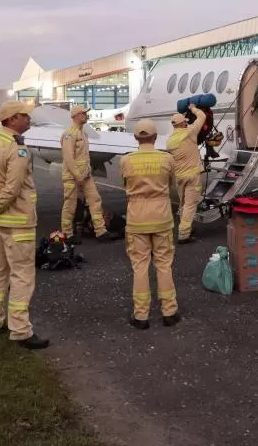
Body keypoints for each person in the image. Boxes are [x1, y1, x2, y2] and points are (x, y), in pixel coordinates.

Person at [0, 101, 49, 349]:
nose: (28, 120)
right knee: (22, 276)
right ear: (11, 119)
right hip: (18, 221)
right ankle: (20, 330)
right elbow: (13, 188)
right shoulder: (17, 148)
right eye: (24, 116)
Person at [120, 119, 180, 329]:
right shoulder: (167, 159)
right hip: (162, 216)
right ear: (155, 138)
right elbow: (171, 185)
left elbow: (125, 183)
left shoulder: (126, 160)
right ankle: (170, 312)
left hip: (137, 218)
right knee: (164, 264)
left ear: (136, 138)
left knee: (140, 267)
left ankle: (141, 315)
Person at [59, 105, 111, 240]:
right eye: (83, 113)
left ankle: (101, 231)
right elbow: (68, 158)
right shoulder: (69, 134)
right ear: (75, 116)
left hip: (85, 175)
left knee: (95, 200)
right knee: (70, 205)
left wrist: (85, 173)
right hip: (72, 177)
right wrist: (77, 175)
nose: (86, 115)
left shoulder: (82, 133)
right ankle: (67, 233)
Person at [166, 104, 207, 244]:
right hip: (193, 176)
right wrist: (193, 108)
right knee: (190, 204)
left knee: (183, 204)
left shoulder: (170, 140)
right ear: (183, 123)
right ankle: (184, 234)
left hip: (179, 177)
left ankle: (187, 227)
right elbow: (202, 116)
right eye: (185, 121)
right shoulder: (190, 132)